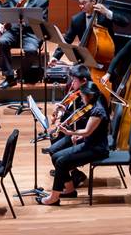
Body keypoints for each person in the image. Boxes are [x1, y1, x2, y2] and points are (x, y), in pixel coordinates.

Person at [37, 74, 110, 206]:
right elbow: (93, 131)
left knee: (61, 162)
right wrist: (79, 135)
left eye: (82, 96)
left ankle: (54, 197)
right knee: (56, 156)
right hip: (90, 143)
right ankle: (69, 189)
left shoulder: (98, 111)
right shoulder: (92, 104)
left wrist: (69, 132)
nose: (81, 99)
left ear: (89, 95)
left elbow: (88, 131)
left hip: (97, 149)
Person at [0, 0, 50, 89]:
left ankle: (21, 72)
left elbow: (43, 22)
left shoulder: (42, 0)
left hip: (31, 33)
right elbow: (2, 11)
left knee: (31, 51)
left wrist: (26, 20)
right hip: (14, 30)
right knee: (1, 42)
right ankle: (9, 78)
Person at [51, 0, 127, 63]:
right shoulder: (76, 19)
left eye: (84, 3)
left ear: (93, 2)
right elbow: (67, 40)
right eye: (80, 3)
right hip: (85, 56)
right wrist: (55, 57)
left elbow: (124, 23)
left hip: (106, 55)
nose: (81, 6)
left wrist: (107, 12)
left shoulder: (104, 15)